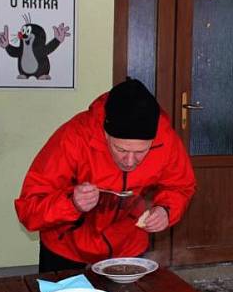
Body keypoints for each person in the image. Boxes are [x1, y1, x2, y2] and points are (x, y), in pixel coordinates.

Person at [15, 78, 196, 270]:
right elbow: (29, 209)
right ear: (105, 134)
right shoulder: (74, 137)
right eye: (121, 150)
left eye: (141, 152)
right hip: (67, 247)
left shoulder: (166, 139)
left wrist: (166, 210)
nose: (130, 161)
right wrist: (71, 202)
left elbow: (180, 185)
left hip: (127, 248)